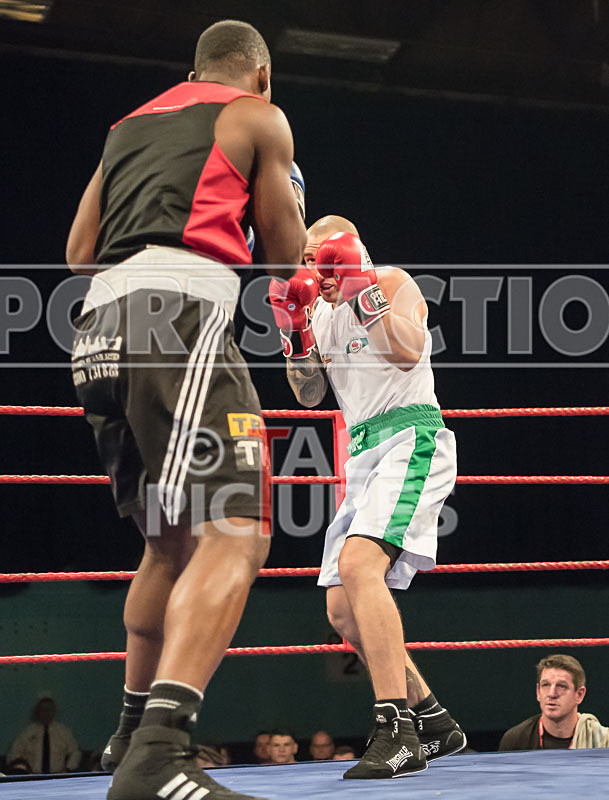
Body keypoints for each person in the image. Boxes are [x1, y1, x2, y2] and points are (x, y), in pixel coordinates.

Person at [66, 19, 306, 800]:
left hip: (97, 329)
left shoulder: (126, 127)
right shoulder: (258, 117)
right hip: (175, 314)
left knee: (167, 543)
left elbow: (78, 252)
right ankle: (161, 753)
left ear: (195, 69)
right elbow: (286, 258)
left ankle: (129, 735)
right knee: (239, 529)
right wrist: (290, 214)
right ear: (260, 74)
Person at [270, 215, 466, 779]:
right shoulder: (317, 310)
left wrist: (363, 291)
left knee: (360, 566)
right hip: (362, 454)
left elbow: (407, 351)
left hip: (411, 437)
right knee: (341, 608)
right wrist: (295, 331)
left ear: (349, 253)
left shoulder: (393, 281)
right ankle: (434, 720)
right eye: (306, 260)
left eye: (321, 257)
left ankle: (396, 731)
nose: (313, 269)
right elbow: (310, 395)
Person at [499, 654, 609, 751]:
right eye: (546, 685)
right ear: (538, 692)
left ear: (579, 695)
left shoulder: (604, 740)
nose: (552, 694)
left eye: (561, 686)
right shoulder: (516, 740)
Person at [7, 697, 80, 774]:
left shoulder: (64, 732)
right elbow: (13, 754)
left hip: (58, 775)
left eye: (49, 709)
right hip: (33, 776)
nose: (46, 713)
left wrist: (69, 768)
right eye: (43, 710)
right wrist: (23, 769)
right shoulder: (27, 732)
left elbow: (75, 752)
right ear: (38, 712)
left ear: (54, 711)